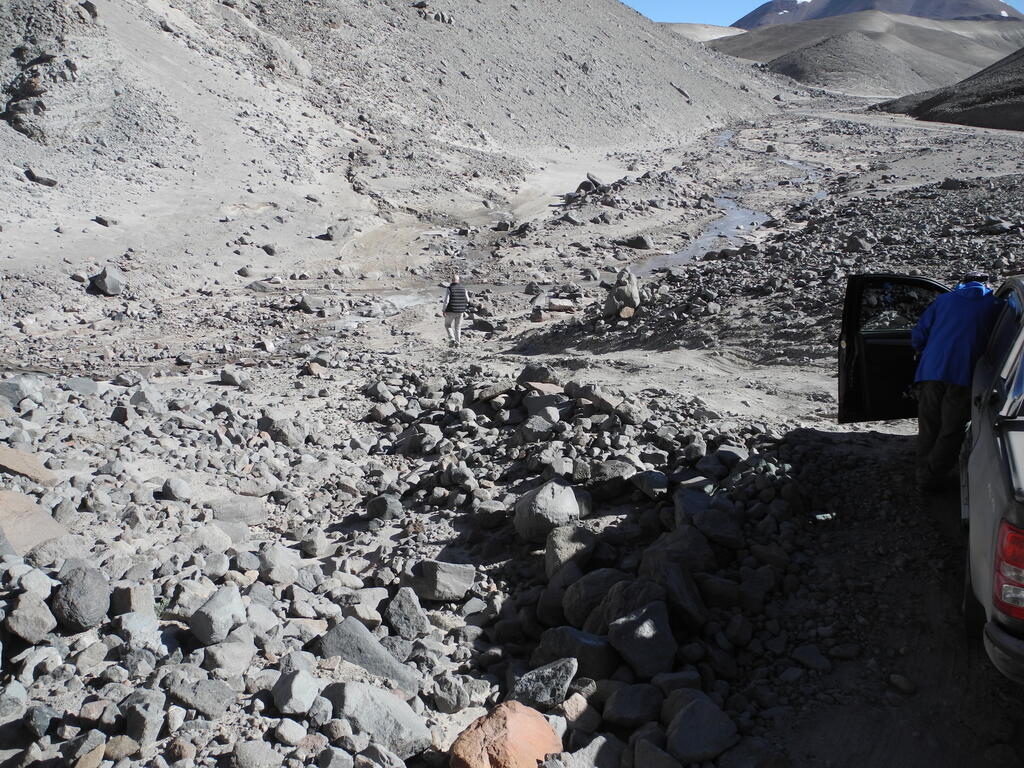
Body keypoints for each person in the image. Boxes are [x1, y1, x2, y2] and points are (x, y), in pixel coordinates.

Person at [912, 272, 1002, 492]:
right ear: (986, 284)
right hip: (964, 373)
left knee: (929, 424)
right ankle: (932, 476)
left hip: (932, 371)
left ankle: (922, 470)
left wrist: (921, 350)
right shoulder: (996, 305)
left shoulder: (944, 300)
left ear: (962, 282)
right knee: (951, 429)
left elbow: (918, 334)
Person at [441, 274, 471, 347]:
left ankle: (452, 339)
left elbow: (446, 301)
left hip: (450, 311)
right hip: (460, 311)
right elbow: (467, 300)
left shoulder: (449, 288)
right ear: (458, 280)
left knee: (447, 325)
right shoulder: (464, 288)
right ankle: (457, 343)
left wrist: (443, 310)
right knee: (458, 327)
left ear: (452, 280)